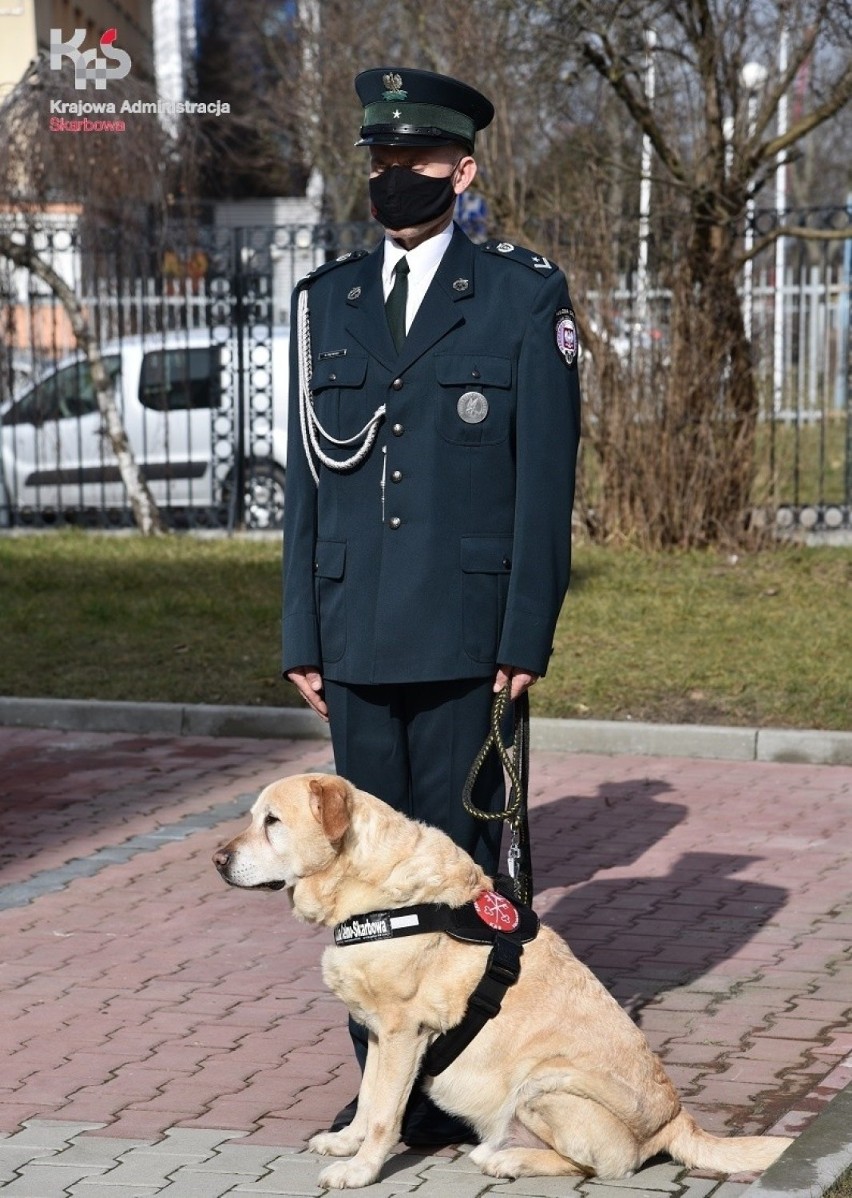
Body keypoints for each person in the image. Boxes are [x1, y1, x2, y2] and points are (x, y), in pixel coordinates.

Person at [282, 65, 581, 1145]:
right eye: (381, 160)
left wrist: (525, 631)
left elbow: (545, 483)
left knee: (454, 869)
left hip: (466, 638)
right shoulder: (327, 303)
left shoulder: (520, 295)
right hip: (355, 633)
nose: (393, 177)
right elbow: (306, 489)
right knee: (360, 879)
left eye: (414, 161)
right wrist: (298, 632)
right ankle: (383, 1092)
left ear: (461, 170)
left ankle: (456, 1083)